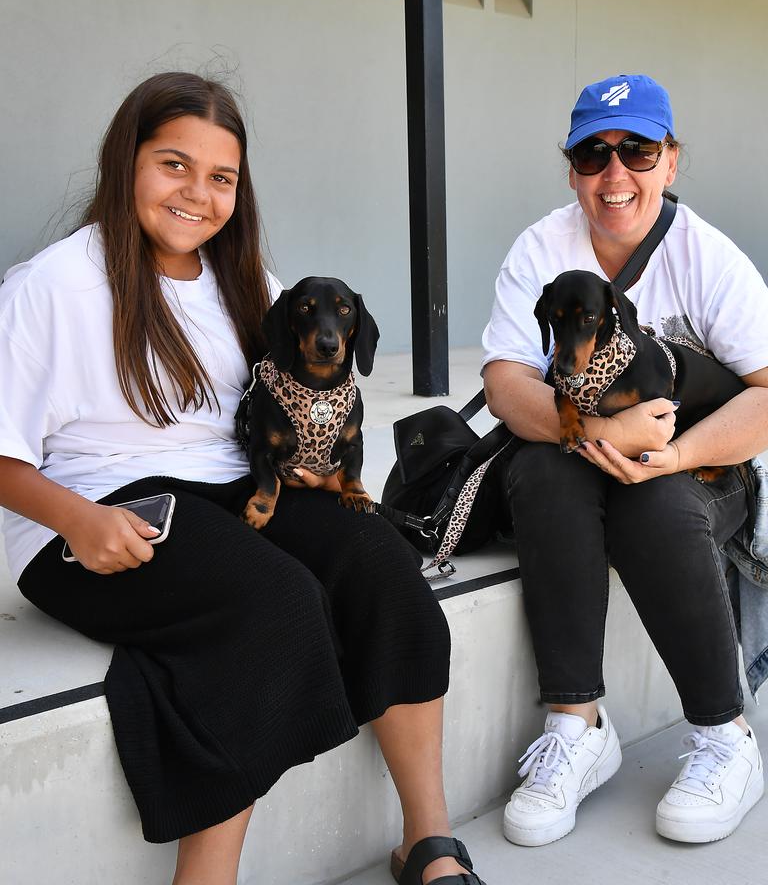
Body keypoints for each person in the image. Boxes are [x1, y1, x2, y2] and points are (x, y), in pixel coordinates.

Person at [0, 73, 485, 885]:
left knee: (375, 560)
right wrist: (78, 521)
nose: (197, 194)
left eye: (220, 177)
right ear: (127, 163)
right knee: (273, 602)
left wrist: (319, 469)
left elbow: (290, 400)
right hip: (86, 517)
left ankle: (426, 842)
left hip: (225, 490)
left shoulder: (245, 283)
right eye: (172, 165)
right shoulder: (51, 286)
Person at [482, 73, 768, 848]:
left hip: (702, 462)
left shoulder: (709, 257)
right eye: (593, 154)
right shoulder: (542, 247)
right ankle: (577, 729)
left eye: (637, 151)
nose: (615, 174)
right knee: (541, 470)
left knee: (658, 503)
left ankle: (724, 737)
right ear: (571, 167)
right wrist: (597, 433)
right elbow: (506, 381)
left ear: (670, 161)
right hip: (575, 455)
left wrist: (670, 450)